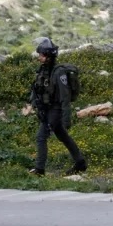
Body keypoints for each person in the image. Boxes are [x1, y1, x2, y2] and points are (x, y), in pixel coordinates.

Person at [29, 37, 87, 176]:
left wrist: (66, 119)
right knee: (62, 136)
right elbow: (37, 89)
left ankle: (39, 169)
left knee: (41, 137)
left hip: (55, 110)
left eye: (41, 55)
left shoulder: (59, 72)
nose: (39, 57)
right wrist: (33, 103)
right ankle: (80, 163)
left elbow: (64, 97)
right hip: (47, 109)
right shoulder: (43, 70)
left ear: (48, 56)